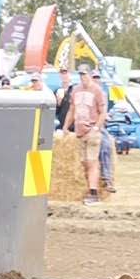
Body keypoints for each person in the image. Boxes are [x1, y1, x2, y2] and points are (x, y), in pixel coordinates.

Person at [62, 66, 106, 205]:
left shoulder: (97, 91)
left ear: (90, 75)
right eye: (81, 74)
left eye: (85, 74)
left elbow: (103, 111)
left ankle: (94, 193)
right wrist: (65, 126)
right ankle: (90, 190)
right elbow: (71, 109)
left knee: (92, 162)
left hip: (92, 130)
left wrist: (97, 126)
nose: (83, 77)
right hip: (79, 130)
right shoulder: (76, 90)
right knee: (84, 162)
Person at [93, 68, 117, 193]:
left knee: (107, 146)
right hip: (91, 126)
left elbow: (110, 109)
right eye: (94, 78)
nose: (96, 80)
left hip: (100, 125)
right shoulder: (86, 93)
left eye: (97, 78)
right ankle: (106, 177)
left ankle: (107, 177)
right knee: (104, 144)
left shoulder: (104, 94)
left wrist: (109, 115)